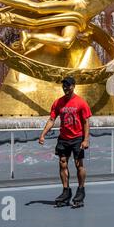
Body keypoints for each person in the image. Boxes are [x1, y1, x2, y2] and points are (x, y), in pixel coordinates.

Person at [39, 77, 92, 208]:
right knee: (62, 163)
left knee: (79, 164)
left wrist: (85, 140)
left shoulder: (81, 102)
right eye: (64, 86)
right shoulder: (58, 103)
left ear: (73, 86)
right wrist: (43, 134)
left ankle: (81, 190)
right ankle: (66, 191)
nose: (65, 88)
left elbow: (86, 122)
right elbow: (51, 119)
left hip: (77, 138)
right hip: (63, 138)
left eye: (68, 86)